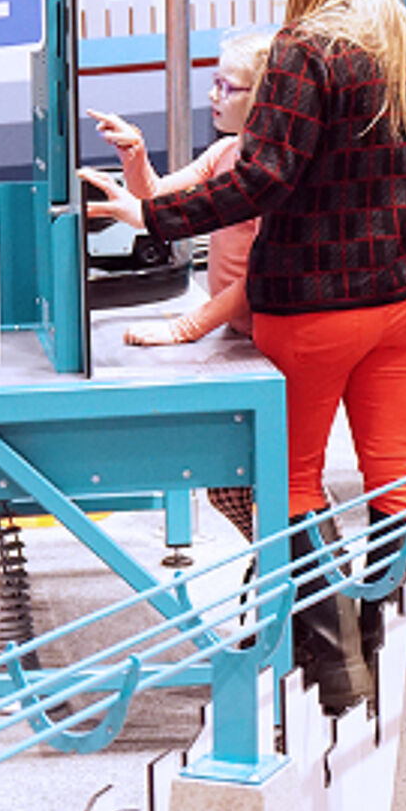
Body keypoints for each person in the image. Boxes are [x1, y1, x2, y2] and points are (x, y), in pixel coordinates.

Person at [82, 0, 406, 714]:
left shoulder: (303, 50)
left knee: (293, 486)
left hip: (313, 307)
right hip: (405, 303)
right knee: (396, 480)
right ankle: (396, 657)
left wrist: (154, 216)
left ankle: (340, 674)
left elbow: (262, 176)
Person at [85, 27, 276, 547]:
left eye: (226, 87)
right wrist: (134, 156)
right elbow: (158, 198)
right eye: (214, 82)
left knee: (271, 479)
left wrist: (187, 327)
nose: (213, 94)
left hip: (272, 341)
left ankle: (300, 571)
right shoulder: (225, 152)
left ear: (262, 97)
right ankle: (278, 561)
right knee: (229, 486)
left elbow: (261, 276)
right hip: (239, 336)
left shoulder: (271, 173)